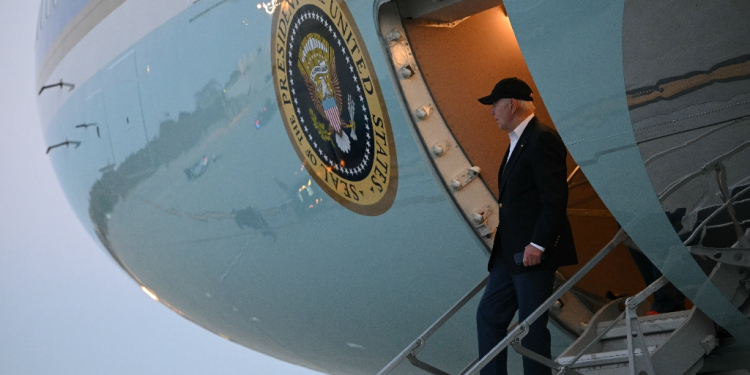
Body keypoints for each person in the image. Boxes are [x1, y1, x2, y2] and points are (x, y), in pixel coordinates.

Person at [475, 77, 578, 375]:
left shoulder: (542, 138)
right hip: (509, 255)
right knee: (489, 316)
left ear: (512, 104)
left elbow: (555, 198)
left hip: (532, 253)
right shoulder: (517, 142)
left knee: (531, 329)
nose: (491, 111)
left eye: (494, 105)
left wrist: (540, 243)